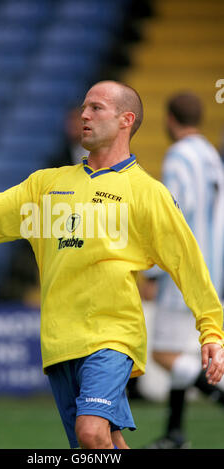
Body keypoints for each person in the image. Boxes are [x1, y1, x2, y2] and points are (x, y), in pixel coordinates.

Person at [0, 81, 223, 449]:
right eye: (83, 108)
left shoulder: (149, 194)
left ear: (125, 119)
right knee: (99, 445)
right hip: (59, 343)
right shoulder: (45, 186)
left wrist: (211, 330)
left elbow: (188, 264)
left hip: (113, 336)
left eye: (96, 108)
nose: (84, 115)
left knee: (91, 431)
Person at [140, 92, 224, 449]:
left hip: (182, 273)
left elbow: (172, 217)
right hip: (213, 270)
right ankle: (175, 433)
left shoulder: (179, 156)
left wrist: (153, 272)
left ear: (170, 119)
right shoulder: (210, 155)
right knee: (188, 355)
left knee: (165, 356)